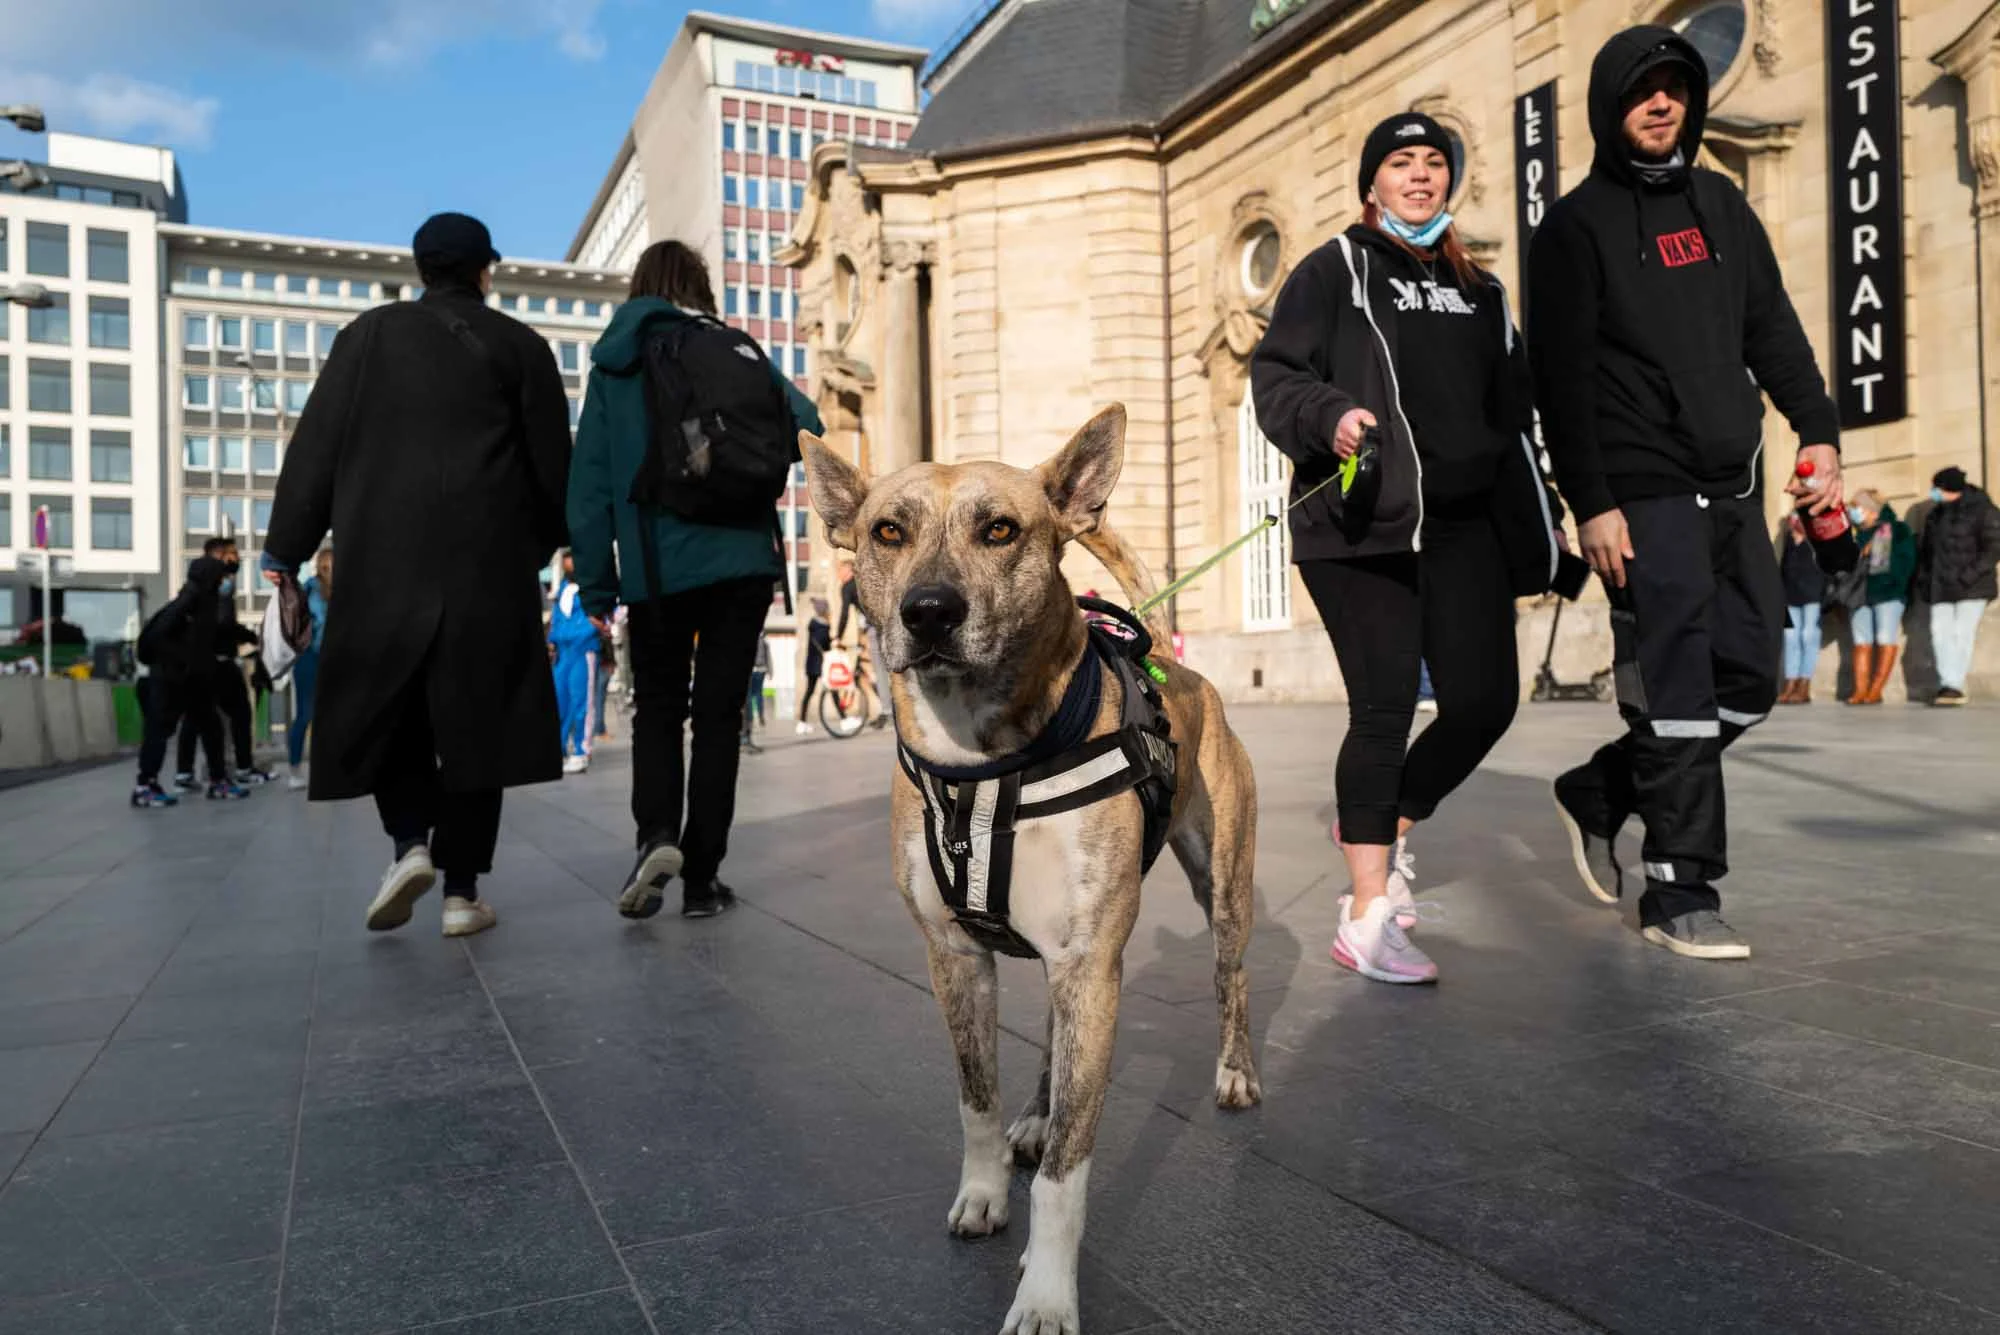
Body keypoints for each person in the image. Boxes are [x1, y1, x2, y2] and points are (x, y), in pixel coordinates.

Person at [1531, 27, 1842, 960]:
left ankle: (1602, 789)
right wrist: (1591, 502)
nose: (1662, 103)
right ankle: (1680, 889)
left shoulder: (1722, 206)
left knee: (1749, 676)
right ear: (1609, 107)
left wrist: (1818, 430)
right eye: (1642, 91)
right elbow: (1561, 380)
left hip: (1733, 484)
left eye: (1675, 87)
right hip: (1641, 488)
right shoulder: (1574, 229)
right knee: (1675, 691)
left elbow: (1773, 330)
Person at [1252, 111, 1564, 985]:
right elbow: (1277, 378)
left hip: (1463, 528)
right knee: (1385, 707)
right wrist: (1332, 418)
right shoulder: (1334, 269)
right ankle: (1366, 913)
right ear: (1373, 184)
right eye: (1402, 163)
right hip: (1363, 523)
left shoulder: (1484, 293)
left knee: (1484, 702)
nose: (1420, 176)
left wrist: (1549, 520)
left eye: (1434, 163)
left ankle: (1386, 826)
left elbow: (1515, 420)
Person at [262, 211, 571, 939]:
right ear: (484, 271)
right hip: (486, 565)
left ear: (421, 269)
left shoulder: (367, 337)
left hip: (381, 559)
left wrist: (286, 548)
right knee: (477, 721)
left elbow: (317, 448)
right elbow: (552, 468)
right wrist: (543, 544)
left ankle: (409, 844)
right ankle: (462, 893)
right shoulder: (522, 346)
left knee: (389, 704)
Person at [568, 239, 825, 920]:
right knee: (718, 718)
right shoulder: (733, 345)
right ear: (700, 285)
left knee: (658, 711)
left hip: (658, 573)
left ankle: (656, 835)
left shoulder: (617, 363)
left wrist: (596, 588)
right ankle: (704, 880)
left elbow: (587, 491)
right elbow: (811, 422)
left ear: (644, 286)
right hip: (743, 564)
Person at [131, 556, 246, 806]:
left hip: (195, 681)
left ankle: (218, 781)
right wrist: (182, 662)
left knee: (212, 727)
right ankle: (145, 787)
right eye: (222, 577)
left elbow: (215, 635)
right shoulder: (187, 602)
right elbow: (155, 638)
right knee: (158, 731)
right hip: (171, 679)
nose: (227, 582)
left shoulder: (205, 604)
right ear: (210, 579)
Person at [174, 536, 272, 788]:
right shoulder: (218, 587)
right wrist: (250, 636)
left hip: (205, 660)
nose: (236, 559)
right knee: (237, 713)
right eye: (232, 554)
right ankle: (241, 768)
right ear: (218, 557)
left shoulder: (199, 585)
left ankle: (185, 773)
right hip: (216, 661)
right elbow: (222, 624)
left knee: (196, 717)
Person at [1915, 467, 2000, 706]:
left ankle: (1954, 685)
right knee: (1940, 633)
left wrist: (1968, 575)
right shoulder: (1935, 515)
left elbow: (1994, 547)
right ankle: (1947, 683)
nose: (1933, 492)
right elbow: (1927, 553)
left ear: (1949, 488)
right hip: (1940, 587)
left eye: (1937, 488)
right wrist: (1925, 581)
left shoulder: (1983, 510)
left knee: (1962, 634)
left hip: (1971, 586)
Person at [1843, 490, 1915, 706]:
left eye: (1857, 508)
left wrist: (1895, 583)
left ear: (1872, 511)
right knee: (1861, 641)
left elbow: (1906, 561)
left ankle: (1875, 690)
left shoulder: (1895, 529)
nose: (1853, 512)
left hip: (1888, 593)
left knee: (1885, 638)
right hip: (1859, 594)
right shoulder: (1856, 535)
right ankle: (1860, 689)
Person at [548, 550, 602, 772]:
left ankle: (582, 750)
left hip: (583, 650)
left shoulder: (592, 589)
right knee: (561, 702)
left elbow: (604, 615)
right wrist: (553, 640)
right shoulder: (563, 590)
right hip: (564, 652)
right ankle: (560, 749)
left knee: (583, 703)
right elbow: (557, 618)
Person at [286, 547, 333, 790]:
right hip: (310, 659)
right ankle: (294, 769)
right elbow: (318, 627)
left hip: (329, 660)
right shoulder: (311, 591)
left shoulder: (335, 592)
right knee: (306, 714)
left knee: (329, 716)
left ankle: (325, 768)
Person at [1775, 515, 1825, 704]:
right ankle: (1790, 684)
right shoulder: (1788, 541)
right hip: (1790, 597)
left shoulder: (1816, 539)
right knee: (1790, 638)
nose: (1794, 522)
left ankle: (1804, 685)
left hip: (1813, 596)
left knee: (1808, 636)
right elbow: (1783, 569)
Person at [797, 596, 831, 735]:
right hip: (819, 664)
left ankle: (802, 722)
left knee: (809, 692)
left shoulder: (813, 624)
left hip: (812, 664)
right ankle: (844, 719)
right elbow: (824, 644)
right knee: (831, 688)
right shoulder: (822, 625)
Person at [743, 630, 771, 752]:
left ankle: (746, 736)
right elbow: (768, 658)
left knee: (751, 698)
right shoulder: (763, 641)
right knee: (754, 696)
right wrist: (770, 671)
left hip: (754, 670)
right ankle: (759, 717)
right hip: (758, 670)